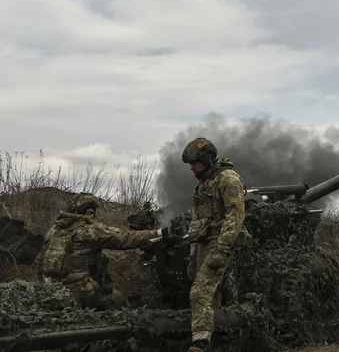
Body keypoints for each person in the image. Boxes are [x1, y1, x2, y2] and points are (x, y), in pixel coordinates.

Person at [35, 192, 173, 310]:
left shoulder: (54, 231)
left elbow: (39, 262)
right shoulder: (89, 230)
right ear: (90, 211)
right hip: (78, 292)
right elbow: (124, 238)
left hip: (52, 290)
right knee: (121, 304)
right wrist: (157, 233)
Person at [181, 137, 247, 352]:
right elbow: (197, 220)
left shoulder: (227, 179)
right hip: (202, 243)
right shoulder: (203, 185)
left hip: (218, 243)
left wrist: (223, 248)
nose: (192, 168)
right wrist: (193, 253)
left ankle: (200, 345)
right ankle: (221, 341)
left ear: (207, 159)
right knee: (213, 295)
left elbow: (235, 215)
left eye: (195, 163)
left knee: (200, 293)